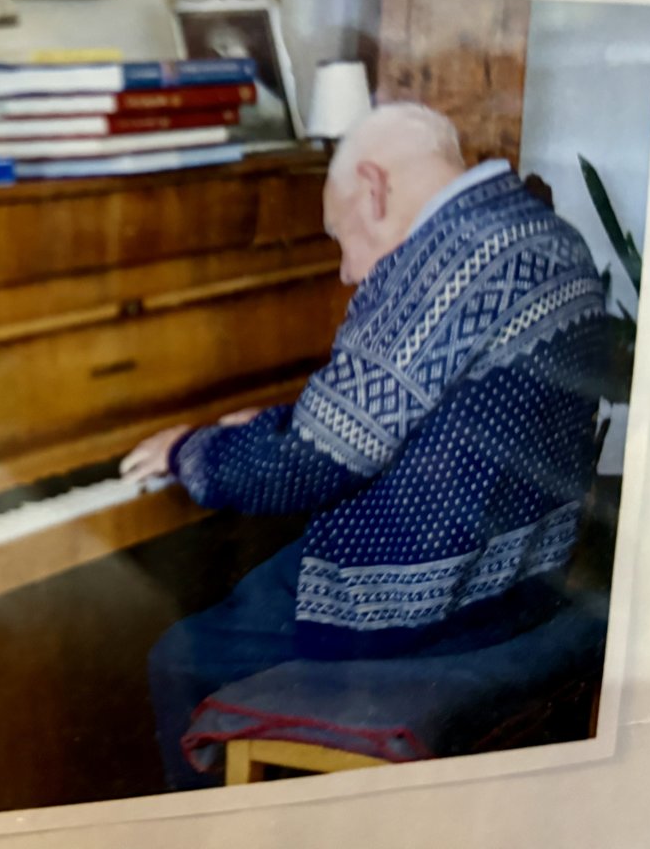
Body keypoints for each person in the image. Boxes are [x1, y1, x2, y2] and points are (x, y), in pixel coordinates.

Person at [121, 103, 610, 790]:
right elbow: (432, 406)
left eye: (338, 235)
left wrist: (189, 451)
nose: (348, 271)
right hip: (527, 580)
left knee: (181, 656)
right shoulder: (546, 233)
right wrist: (290, 420)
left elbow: (306, 465)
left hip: (431, 607)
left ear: (374, 188)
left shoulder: (435, 262)